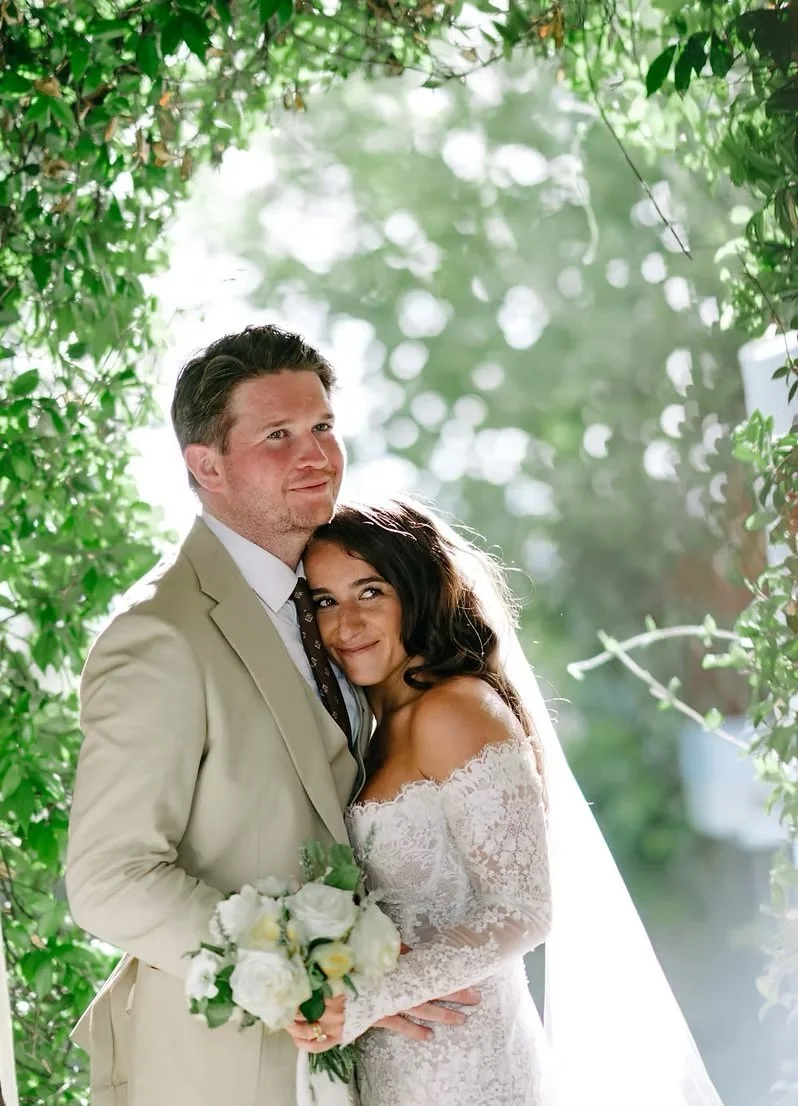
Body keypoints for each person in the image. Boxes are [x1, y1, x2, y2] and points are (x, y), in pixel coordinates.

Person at [65, 327, 475, 1106]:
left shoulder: (342, 601)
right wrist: (311, 972)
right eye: (278, 436)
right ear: (205, 464)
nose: (315, 454)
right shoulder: (160, 634)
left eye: (322, 427)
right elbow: (109, 881)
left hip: (361, 1062)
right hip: (215, 1072)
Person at [295, 499, 727, 1106]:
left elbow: (523, 907)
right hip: (390, 1065)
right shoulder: (372, 732)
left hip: (468, 1066)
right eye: (324, 601)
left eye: (370, 592)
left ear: (416, 593)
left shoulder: (454, 709)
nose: (346, 624)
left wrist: (366, 998)